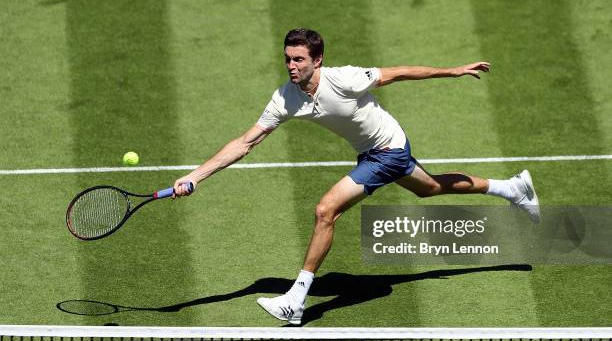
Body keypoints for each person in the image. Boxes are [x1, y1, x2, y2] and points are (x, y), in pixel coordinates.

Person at [172, 28, 540, 325]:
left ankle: (296, 299)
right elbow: (245, 142)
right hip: (371, 151)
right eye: (287, 59)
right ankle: (512, 188)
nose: (291, 65)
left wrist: (453, 70)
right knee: (429, 188)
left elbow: (398, 74)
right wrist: (195, 177)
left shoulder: (344, 79)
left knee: (325, 210)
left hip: (389, 149)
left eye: (299, 59)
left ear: (318, 60)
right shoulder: (285, 98)